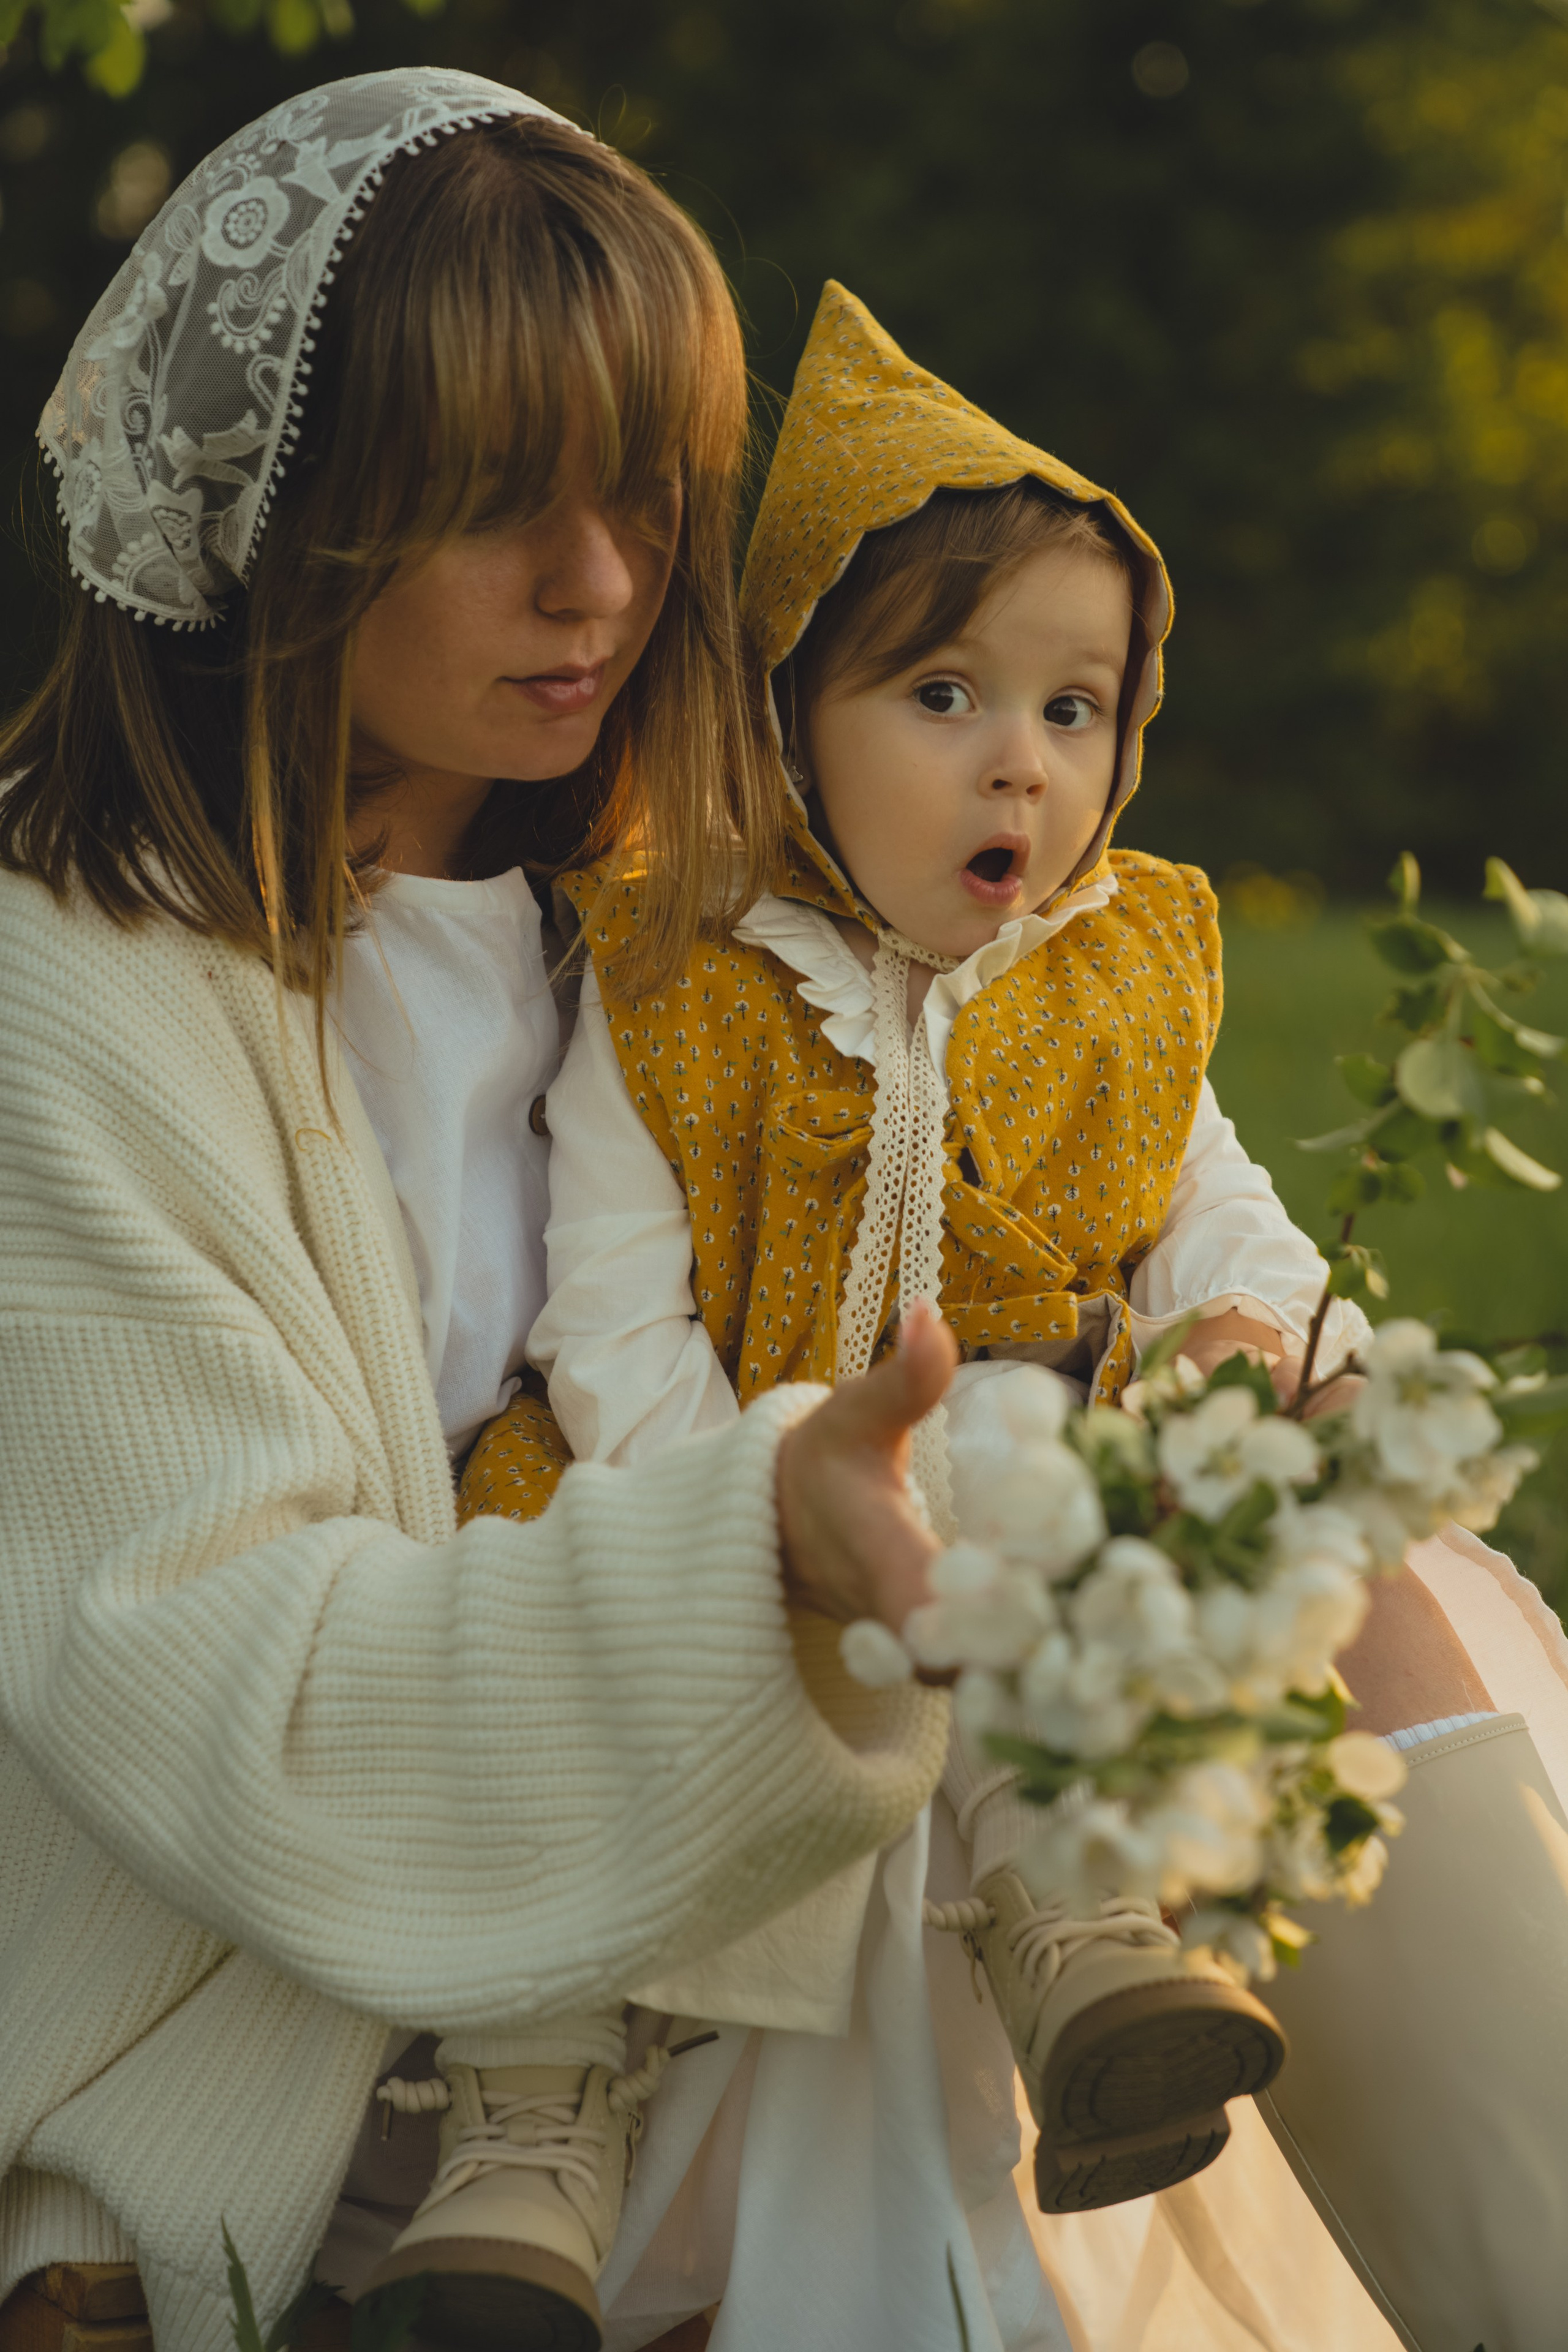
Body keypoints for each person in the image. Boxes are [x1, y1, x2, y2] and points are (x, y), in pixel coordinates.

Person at [461, 285, 1568, 2352]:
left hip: (1035, 1525)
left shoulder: (1118, 977)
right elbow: (609, 1322)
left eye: (1078, 712)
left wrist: (1248, 1340)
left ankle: (1089, 1938)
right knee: (535, 1647)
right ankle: (526, 2118)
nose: (1024, 766)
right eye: (946, 695)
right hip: (729, 1518)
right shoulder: (679, 984)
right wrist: (755, 1525)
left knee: (1114, 1495)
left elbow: (1228, 1228)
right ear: (790, 711)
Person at [0, 80, 959, 2352]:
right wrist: (764, 1569)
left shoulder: (651, 946)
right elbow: (245, 1690)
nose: (602, 585)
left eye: (641, 492)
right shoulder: (69, 996)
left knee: (1357, 1626)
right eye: (486, 508)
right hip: (307, 2024)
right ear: (273, 514)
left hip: (662, 1935)